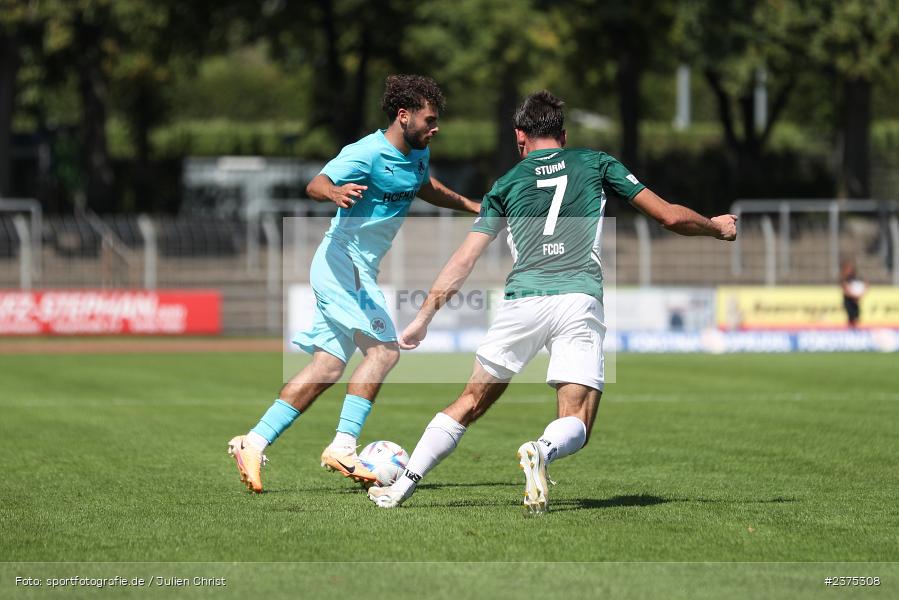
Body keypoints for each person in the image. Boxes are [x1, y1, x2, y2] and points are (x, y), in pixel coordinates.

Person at [368, 90, 737, 513]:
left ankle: (401, 487)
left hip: (522, 302)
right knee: (576, 420)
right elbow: (668, 216)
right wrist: (715, 227)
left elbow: (464, 259)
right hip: (577, 298)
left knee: (469, 401)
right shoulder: (597, 163)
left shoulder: (506, 184)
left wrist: (424, 316)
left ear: (519, 137)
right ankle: (541, 449)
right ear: (563, 136)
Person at [228, 75, 480, 493]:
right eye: (430, 120)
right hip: (343, 263)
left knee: (327, 366)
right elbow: (316, 183)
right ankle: (343, 446)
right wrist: (335, 193)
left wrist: (472, 205)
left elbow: (425, 186)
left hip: (357, 267)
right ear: (404, 116)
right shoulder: (366, 152)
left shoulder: (419, 153)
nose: (435, 128)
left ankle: (251, 443)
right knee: (384, 352)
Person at [840, 260, 867, 328]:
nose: (849, 270)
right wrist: (854, 296)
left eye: (850, 268)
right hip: (849, 302)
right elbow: (845, 290)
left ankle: (855, 331)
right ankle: (851, 330)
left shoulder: (856, 278)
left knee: (856, 318)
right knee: (851, 319)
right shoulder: (845, 279)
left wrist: (860, 294)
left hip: (855, 302)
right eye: (848, 269)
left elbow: (865, 285)